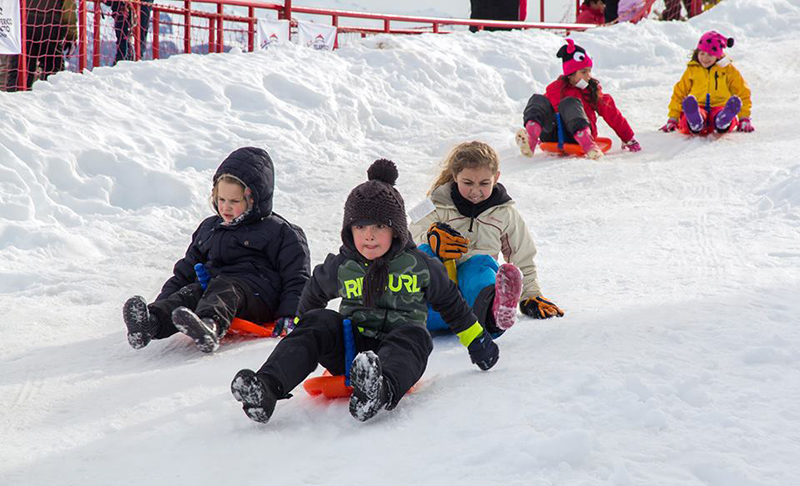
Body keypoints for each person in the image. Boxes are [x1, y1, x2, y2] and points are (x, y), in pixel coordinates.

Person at [230, 159, 500, 424]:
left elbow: (452, 304)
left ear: (396, 230)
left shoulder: (419, 266)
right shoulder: (343, 265)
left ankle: (378, 392)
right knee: (319, 321)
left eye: (379, 226)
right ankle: (267, 388)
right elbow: (314, 292)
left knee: (415, 335)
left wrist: (478, 342)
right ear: (349, 230)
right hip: (351, 350)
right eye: (360, 227)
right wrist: (304, 333)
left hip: (400, 352)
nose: (368, 236)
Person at [122, 147, 311, 353]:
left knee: (224, 287)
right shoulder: (209, 228)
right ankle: (151, 324)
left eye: (234, 201)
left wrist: (291, 315)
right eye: (221, 199)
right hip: (214, 291)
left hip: (257, 298)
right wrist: (163, 301)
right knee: (191, 292)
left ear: (253, 200)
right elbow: (186, 270)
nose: (225, 207)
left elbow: (297, 277)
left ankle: (209, 327)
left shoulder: (280, 232)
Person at [409, 141, 563, 336]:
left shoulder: (504, 213)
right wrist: (430, 237)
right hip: (439, 286)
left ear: (496, 178)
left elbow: (522, 253)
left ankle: (495, 314)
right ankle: (406, 314)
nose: (476, 191)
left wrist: (531, 294)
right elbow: (409, 235)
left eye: (484, 183)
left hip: (473, 294)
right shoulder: (434, 204)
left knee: (481, 266)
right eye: (467, 183)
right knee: (423, 254)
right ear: (455, 176)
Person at [516, 39, 640, 160]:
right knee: (538, 99)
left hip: (579, 135)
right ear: (570, 73)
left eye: (589, 71)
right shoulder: (556, 88)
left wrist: (628, 138)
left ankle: (587, 142)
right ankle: (531, 138)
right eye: (583, 72)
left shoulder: (591, 90)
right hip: (554, 136)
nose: (588, 76)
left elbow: (611, 113)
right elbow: (543, 111)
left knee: (570, 102)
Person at [660, 31, 753, 135]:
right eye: (702, 53)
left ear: (718, 55)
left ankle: (723, 120)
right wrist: (673, 118)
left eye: (710, 54)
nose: (705, 58)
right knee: (687, 117)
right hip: (699, 106)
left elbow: (742, 92)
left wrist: (744, 118)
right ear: (697, 52)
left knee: (723, 115)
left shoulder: (728, 70)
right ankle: (695, 121)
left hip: (720, 107)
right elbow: (679, 93)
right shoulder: (693, 70)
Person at [4, 0, 76, 91]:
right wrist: (71, 35)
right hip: (50, 23)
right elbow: (68, 6)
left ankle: (16, 97)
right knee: (53, 70)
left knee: (20, 70)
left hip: (23, 20)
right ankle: (51, 96)